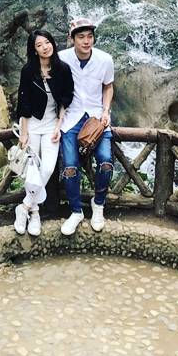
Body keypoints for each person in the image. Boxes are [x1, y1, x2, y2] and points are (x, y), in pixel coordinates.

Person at [13, 29, 73, 236]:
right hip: (32, 125)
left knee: (47, 168)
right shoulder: (28, 71)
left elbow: (66, 98)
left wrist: (58, 126)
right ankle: (35, 213)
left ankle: (24, 207)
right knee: (33, 170)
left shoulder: (62, 69)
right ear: (34, 50)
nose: (45, 47)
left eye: (47, 42)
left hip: (51, 126)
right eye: (39, 45)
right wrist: (24, 132)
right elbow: (24, 102)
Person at [58, 17, 115, 235]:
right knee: (70, 167)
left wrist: (106, 111)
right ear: (72, 39)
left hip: (96, 118)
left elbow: (108, 87)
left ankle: (98, 204)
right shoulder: (61, 59)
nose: (86, 41)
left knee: (106, 162)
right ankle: (75, 211)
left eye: (90, 36)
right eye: (81, 37)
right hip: (71, 117)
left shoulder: (105, 59)